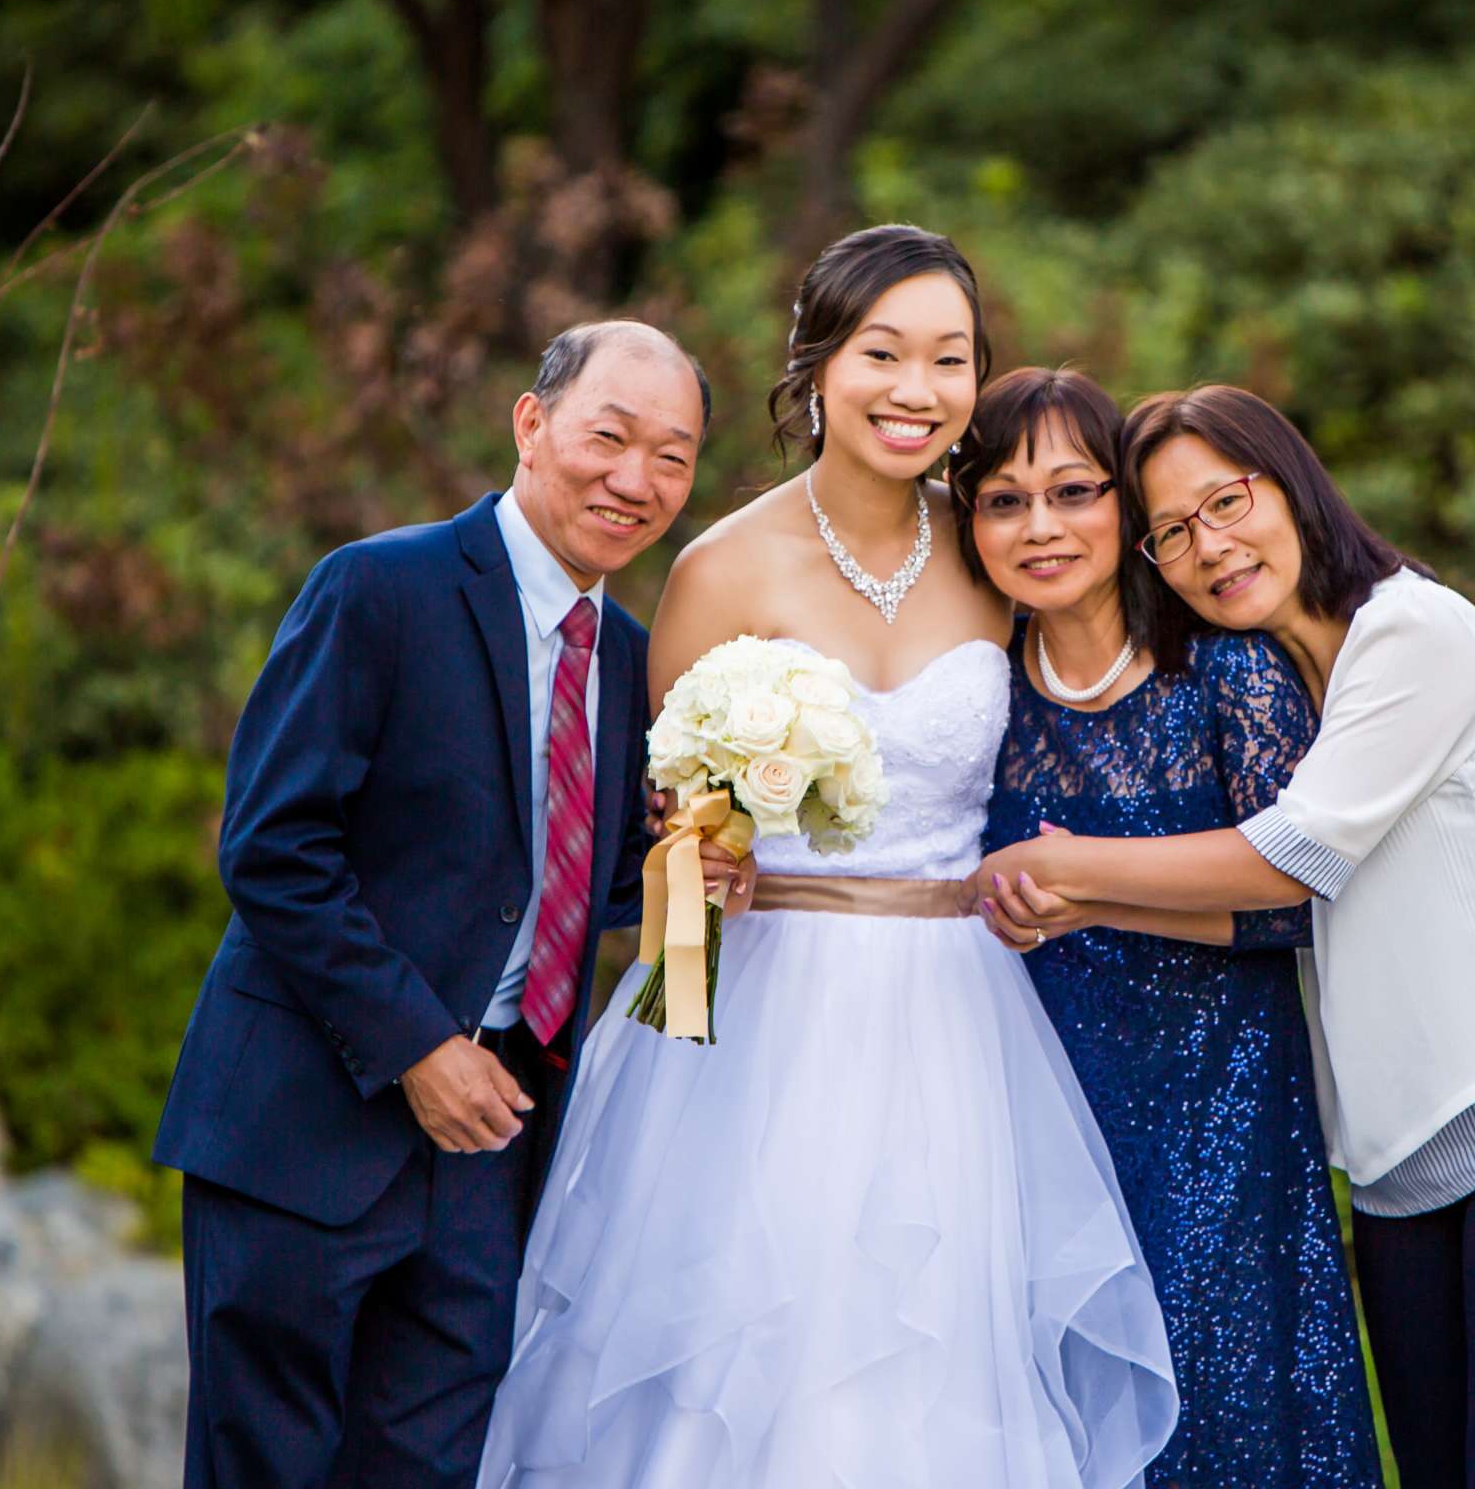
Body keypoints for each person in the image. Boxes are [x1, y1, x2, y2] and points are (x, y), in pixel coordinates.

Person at [478, 227, 1176, 1488]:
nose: (917, 389)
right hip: (751, 1024)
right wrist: (701, 884)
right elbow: (667, 850)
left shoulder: (1001, 548)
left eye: (950, 360)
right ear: (816, 367)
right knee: (744, 1349)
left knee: (941, 1358)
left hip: (959, 1016)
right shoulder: (719, 567)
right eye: (884, 353)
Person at [974, 385, 1475, 1489]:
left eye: (1228, 502)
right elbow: (1280, 909)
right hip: (1406, 1153)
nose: (1208, 546)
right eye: (1172, 532)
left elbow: (1286, 856)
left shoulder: (1413, 632)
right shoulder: (1293, 678)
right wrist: (1088, 905)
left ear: (1294, 484)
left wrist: (1063, 863)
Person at [153, 321, 713, 1488]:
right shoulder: (379, 586)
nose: (635, 479)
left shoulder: (633, 662)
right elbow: (275, 848)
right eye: (609, 437)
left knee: (432, 1462)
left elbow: (561, 877)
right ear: (531, 421)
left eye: (672, 456)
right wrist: (417, 1043)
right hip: (308, 1117)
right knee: (263, 1460)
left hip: (496, 1144)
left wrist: (687, 877)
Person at [957, 366, 1382, 1487]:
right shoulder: (981, 694)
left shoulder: (1227, 672)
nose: (1041, 526)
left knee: (1222, 1417)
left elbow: (1297, 898)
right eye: (1003, 500)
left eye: (1074, 491)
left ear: (1127, 512)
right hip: (1031, 1106)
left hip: (1224, 1112)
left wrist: (1085, 886)